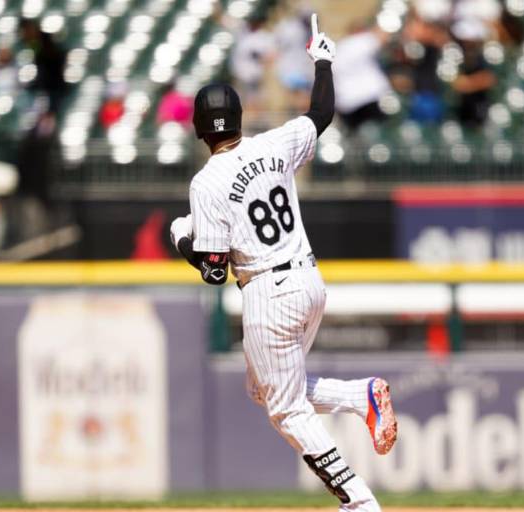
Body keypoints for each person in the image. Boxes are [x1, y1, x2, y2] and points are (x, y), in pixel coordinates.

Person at [169, 15, 397, 512]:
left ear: (198, 128)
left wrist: (181, 238)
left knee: (287, 410)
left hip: (267, 293)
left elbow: (212, 270)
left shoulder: (206, 183)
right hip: (309, 281)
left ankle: (359, 502)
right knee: (265, 389)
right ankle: (362, 397)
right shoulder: (273, 143)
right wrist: (322, 60)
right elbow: (321, 114)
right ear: (239, 115)